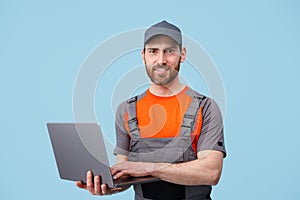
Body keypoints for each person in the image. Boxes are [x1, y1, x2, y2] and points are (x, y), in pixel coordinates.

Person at [76, 20, 226, 200]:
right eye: (153, 51)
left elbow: (211, 172)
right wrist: (109, 186)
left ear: (182, 54)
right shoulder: (127, 110)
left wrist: (150, 167)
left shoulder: (206, 107)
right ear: (143, 56)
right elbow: (126, 175)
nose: (161, 60)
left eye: (169, 51)